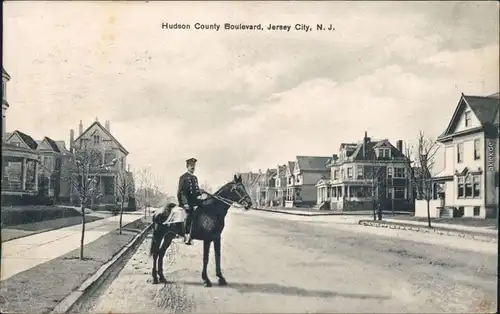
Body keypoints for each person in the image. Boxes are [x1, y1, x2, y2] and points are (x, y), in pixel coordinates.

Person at [177, 157, 203, 245]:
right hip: (187, 203)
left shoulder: (195, 178)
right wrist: (185, 203)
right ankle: (186, 235)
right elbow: (181, 192)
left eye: (194, 166)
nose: (193, 167)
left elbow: (196, 192)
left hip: (195, 202)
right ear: (187, 166)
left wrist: (200, 192)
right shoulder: (183, 177)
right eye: (191, 166)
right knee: (189, 215)